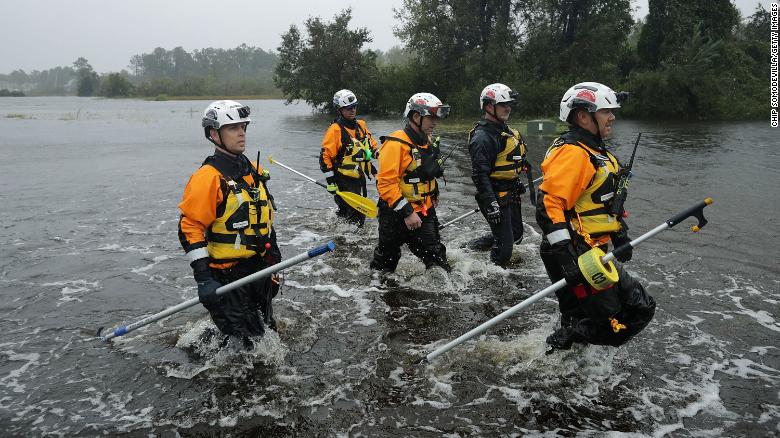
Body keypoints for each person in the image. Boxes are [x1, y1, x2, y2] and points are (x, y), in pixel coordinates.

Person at [535, 82, 655, 351]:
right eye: (606, 111)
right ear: (582, 116)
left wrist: (619, 232)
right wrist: (567, 259)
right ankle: (566, 341)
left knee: (581, 315)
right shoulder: (574, 153)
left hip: (591, 250)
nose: (612, 117)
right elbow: (547, 205)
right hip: (576, 252)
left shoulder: (596, 152)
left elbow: (598, 202)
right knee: (633, 314)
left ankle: (561, 355)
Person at [178, 100, 282, 344]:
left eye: (243, 127)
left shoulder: (253, 170)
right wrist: (204, 279)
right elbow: (190, 228)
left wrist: (275, 263)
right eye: (233, 128)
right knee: (251, 343)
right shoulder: (208, 178)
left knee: (268, 330)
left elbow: (265, 220)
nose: (241, 133)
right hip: (227, 275)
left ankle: (213, 340)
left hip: (259, 267)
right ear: (214, 134)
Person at [370, 92, 452, 273]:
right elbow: (385, 184)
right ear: (416, 116)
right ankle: (377, 293)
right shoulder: (396, 144)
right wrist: (407, 213)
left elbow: (424, 172)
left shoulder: (427, 140)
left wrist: (434, 192)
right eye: (430, 117)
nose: (435, 122)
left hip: (423, 211)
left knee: (438, 262)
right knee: (385, 264)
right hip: (395, 214)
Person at [467, 83, 532, 266]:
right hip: (494, 195)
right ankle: (493, 274)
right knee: (505, 250)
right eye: (504, 105)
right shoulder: (482, 137)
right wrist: (491, 203)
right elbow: (479, 176)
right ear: (489, 106)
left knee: (517, 235)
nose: (508, 108)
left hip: (510, 192)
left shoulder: (508, 132)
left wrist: (515, 179)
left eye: (509, 104)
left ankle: (470, 248)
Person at [319, 89, 378, 227]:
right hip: (342, 178)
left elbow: (371, 145)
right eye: (348, 108)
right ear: (340, 110)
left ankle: (341, 236)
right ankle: (352, 240)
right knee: (357, 215)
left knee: (347, 214)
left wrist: (379, 153)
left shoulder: (361, 125)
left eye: (354, 106)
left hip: (358, 176)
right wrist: (331, 181)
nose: (353, 110)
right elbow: (324, 157)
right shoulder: (335, 130)